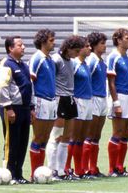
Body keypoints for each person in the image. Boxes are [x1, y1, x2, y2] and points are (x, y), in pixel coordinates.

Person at [0, 35, 33, 183]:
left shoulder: (24, 65)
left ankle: (18, 173)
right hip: (12, 109)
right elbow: (3, 87)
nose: (23, 47)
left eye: (23, 44)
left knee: (22, 142)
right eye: (19, 45)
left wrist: (31, 107)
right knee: (11, 142)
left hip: (25, 109)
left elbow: (29, 87)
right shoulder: (6, 63)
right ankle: (8, 174)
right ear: (10, 48)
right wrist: (8, 107)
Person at [48, 35, 84, 180]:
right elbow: (51, 79)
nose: (77, 54)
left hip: (70, 99)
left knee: (66, 137)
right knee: (56, 136)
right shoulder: (56, 60)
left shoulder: (72, 62)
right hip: (60, 99)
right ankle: (51, 170)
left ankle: (62, 171)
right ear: (68, 48)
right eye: (76, 51)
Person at [107, 28, 128, 177]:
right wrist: (116, 103)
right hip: (120, 96)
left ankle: (120, 166)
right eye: (127, 38)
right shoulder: (114, 57)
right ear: (119, 40)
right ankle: (112, 168)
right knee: (117, 132)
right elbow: (111, 82)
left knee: (126, 133)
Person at [28, 29, 57, 177]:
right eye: (51, 40)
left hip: (51, 101)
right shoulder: (37, 58)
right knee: (38, 137)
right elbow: (30, 81)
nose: (54, 43)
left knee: (45, 138)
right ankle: (34, 173)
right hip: (41, 100)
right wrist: (31, 105)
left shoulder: (50, 59)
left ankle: (40, 172)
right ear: (43, 42)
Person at [83, 32, 108, 177]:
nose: (105, 46)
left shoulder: (101, 62)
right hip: (93, 99)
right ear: (93, 46)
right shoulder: (91, 60)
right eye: (102, 43)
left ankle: (93, 167)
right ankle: (85, 168)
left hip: (102, 99)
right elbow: (87, 79)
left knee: (97, 136)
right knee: (90, 135)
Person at [68, 36, 93, 178]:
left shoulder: (86, 64)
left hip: (88, 101)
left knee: (82, 138)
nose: (90, 48)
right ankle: (66, 168)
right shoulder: (74, 64)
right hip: (78, 101)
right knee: (73, 137)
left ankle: (80, 170)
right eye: (87, 46)